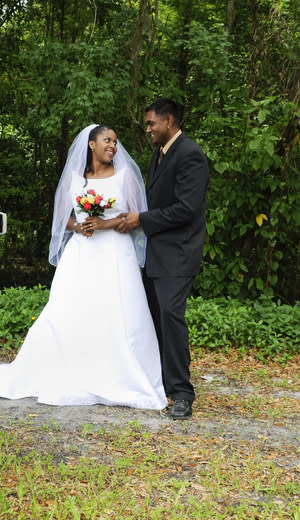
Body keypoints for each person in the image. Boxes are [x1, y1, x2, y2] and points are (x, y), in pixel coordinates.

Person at [0, 124, 167, 410]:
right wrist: (78, 226)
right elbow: (62, 219)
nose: (113, 146)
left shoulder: (125, 176)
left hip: (116, 255)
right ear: (91, 144)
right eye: (107, 140)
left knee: (118, 310)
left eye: (115, 142)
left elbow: (137, 217)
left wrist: (105, 223)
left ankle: (119, 373)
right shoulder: (73, 179)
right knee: (70, 310)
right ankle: (69, 368)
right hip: (81, 253)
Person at [117, 98, 209, 420]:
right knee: (153, 317)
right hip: (156, 253)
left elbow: (187, 209)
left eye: (151, 123)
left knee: (171, 317)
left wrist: (141, 219)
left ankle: (183, 393)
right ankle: (159, 383)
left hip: (180, 253)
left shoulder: (190, 155)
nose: (148, 129)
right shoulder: (160, 154)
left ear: (169, 121)